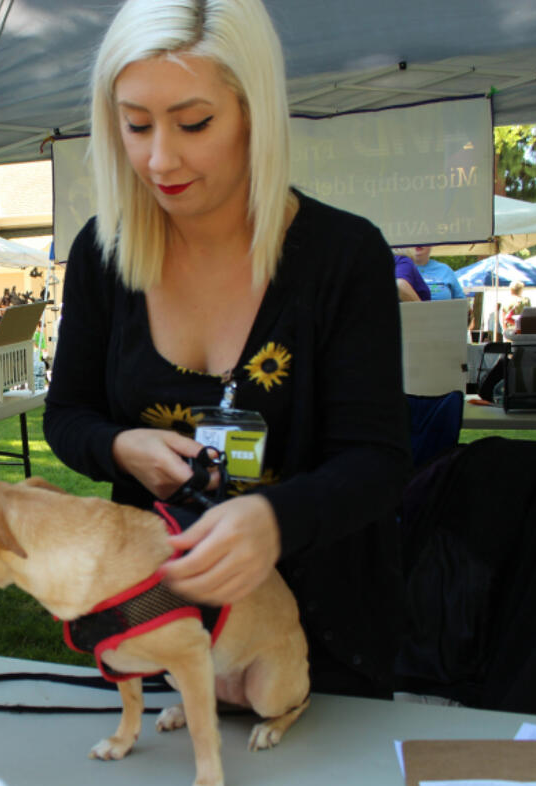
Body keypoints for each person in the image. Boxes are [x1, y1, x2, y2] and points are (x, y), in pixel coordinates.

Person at [43, 0, 410, 700]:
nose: (160, 158)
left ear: (254, 113)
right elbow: (67, 413)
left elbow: (378, 460)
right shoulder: (102, 253)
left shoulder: (343, 256)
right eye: (135, 123)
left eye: (194, 123)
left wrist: (277, 520)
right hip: (153, 622)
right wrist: (120, 448)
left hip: (317, 636)